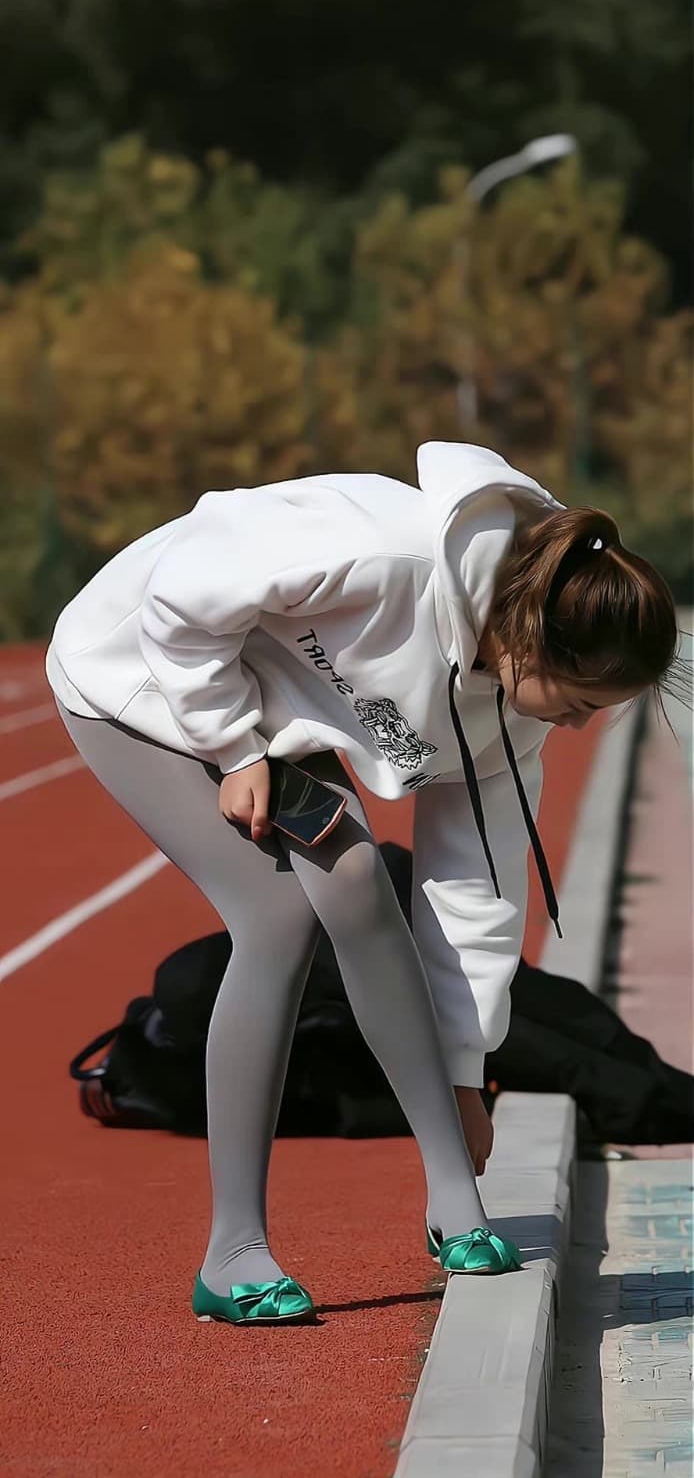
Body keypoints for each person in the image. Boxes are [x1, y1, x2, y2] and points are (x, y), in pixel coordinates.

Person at [46, 440, 682, 1327]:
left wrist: (465, 1073)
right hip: (146, 668)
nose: (578, 725)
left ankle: (455, 1201)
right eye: (580, 702)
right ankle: (233, 1253)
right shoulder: (385, 556)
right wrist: (232, 746)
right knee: (277, 919)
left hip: (273, 695)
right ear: (535, 640)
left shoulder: (513, 713)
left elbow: (475, 888)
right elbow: (187, 592)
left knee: (358, 884)